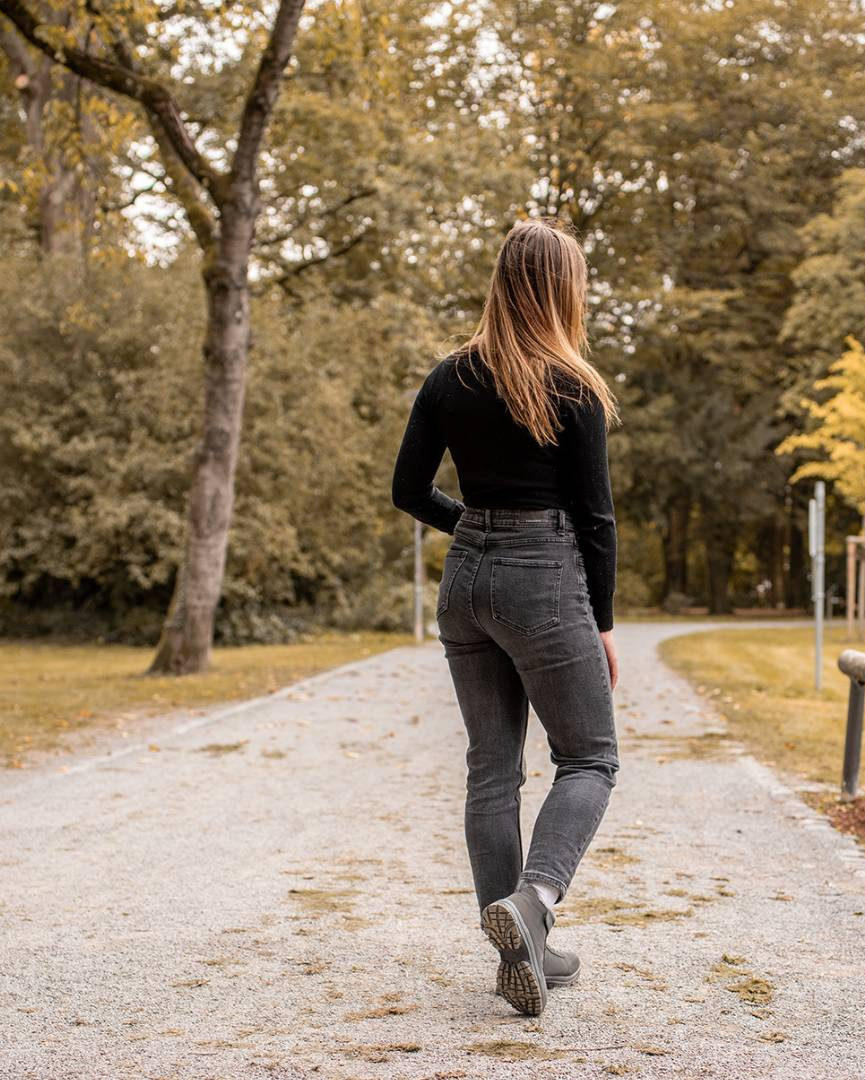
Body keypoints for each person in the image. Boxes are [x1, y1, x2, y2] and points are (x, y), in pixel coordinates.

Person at [391, 217, 621, 1017]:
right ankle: (534, 903)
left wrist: (478, 529)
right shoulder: (574, 384)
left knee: (492, 768)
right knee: (591, 758)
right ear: (563, 290)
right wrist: (605, 621)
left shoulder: (448, 376)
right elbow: (596, 519)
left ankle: (519, 949)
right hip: (545, 580)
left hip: (466, 581)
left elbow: (408, 491)